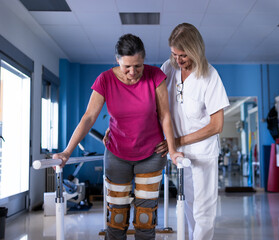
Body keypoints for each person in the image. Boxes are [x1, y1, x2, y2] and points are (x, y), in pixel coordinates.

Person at [53, 33, 183, 240]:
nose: (133, 72)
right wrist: (67, 151)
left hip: (151, 154)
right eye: (127, 67)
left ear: (144, 59)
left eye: (138, 66)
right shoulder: (105, 80)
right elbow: (88, 118)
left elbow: (165, 114)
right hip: (117, 155)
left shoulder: (155, 76)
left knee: (145, 219)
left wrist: (172, 147)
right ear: (117, 61)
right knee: (116, 217)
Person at [161, 23, 229, 240]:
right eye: (174, 54)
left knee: (203, 212)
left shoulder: (209, 75)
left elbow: (217, 125)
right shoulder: (168, 69)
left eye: (183, 55)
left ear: (196, 50)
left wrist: (178, 140)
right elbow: (159, 109)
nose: (178, 60)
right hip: (180, 155)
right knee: (188, 206)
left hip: (202, 154)